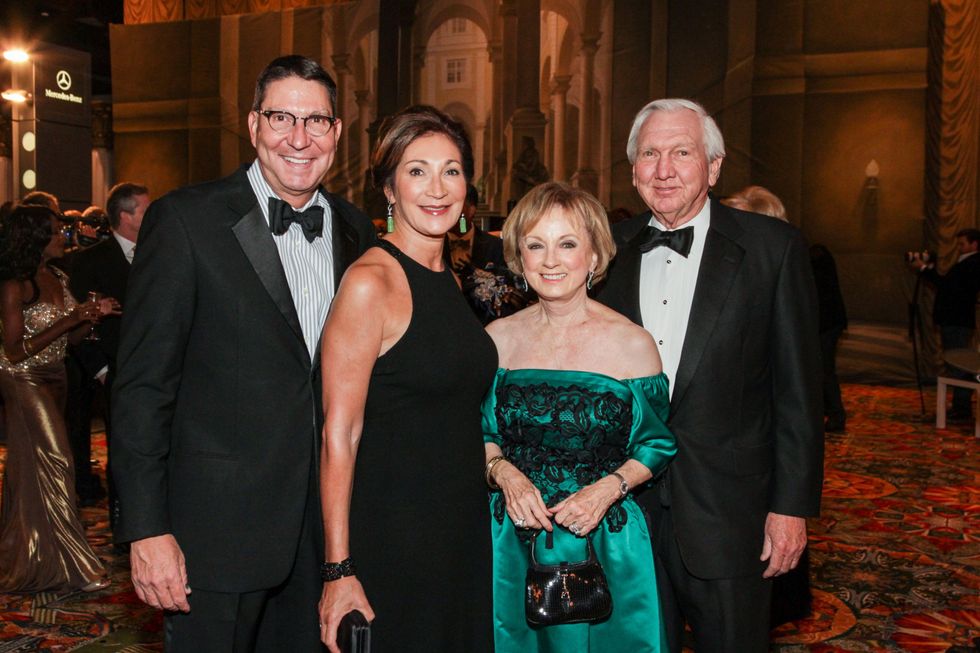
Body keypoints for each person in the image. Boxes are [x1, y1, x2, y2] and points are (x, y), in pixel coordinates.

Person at [110, 55, 375, 651]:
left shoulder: (356, 231)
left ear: (337, 133)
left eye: (317, 121)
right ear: (254, 124)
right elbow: (142, 385)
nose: (299, 138)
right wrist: (147, 529)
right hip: (214, 535)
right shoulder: (185, 220)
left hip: (324, 533)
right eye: (282, 117)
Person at [598, 99, 823, 652]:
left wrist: (791, 508)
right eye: (649, 154)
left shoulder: (773, 249)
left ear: (714, 167)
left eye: (681, 152)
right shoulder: (606, 252)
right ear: (633, 171)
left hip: (732, 514)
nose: (664, 169)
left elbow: (798, 394)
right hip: (626, 516)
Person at [317, 105, 495, 652]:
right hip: (396, 538)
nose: (437, 188)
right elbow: (337, 435)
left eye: (451, 170)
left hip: (458, 532)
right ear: (389, 189)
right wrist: (338, 569)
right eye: (417, 171)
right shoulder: (371, 281)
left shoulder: (448, 277)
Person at [481, 181, 677, 652]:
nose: (551, 260)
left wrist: (609, 488)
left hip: (605, 538)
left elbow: (657, 443)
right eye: (536, 245)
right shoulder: (495, 340)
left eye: (567, 243)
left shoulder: (633, 343)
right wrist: (502, 471)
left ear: (593, 256)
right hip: (510, 538)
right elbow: (481, 431)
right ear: (519, 257)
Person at [0, 204, 115, 593]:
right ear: (33, 239)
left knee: (38, 468)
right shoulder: (14, 285)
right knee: (61, 460)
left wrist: (89, 318)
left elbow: (70, 341)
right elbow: (14, 350)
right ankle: (73, 563)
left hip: (56, 375)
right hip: (23, 379)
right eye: (52, 233)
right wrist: (71, 318)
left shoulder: (57, 275)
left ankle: (37, 553)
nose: (60, 238)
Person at [70, 183, 150, 522]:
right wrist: (101, 370)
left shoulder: (158, 251)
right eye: (147, 210)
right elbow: (78, 319)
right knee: (121, 448)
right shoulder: (91, 260)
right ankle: (123, 520)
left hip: (155, 368)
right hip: (113, 368)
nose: (153, 216)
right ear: (125, 216)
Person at [911, 228, 980, 420]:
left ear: (974, 244)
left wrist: (924, 270)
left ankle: (962, 408)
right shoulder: (967, 262)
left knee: (959, 364)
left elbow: (949, 287)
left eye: (962, 244)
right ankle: (960, 406)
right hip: (954, 319)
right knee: (955, 363)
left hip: (957, 320)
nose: (959, 248)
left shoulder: (973, 263)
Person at [446, 183, 526, 324]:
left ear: (471, 210)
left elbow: (509, 291)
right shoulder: (429, 247)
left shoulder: (497, 246)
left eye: (455, 205)